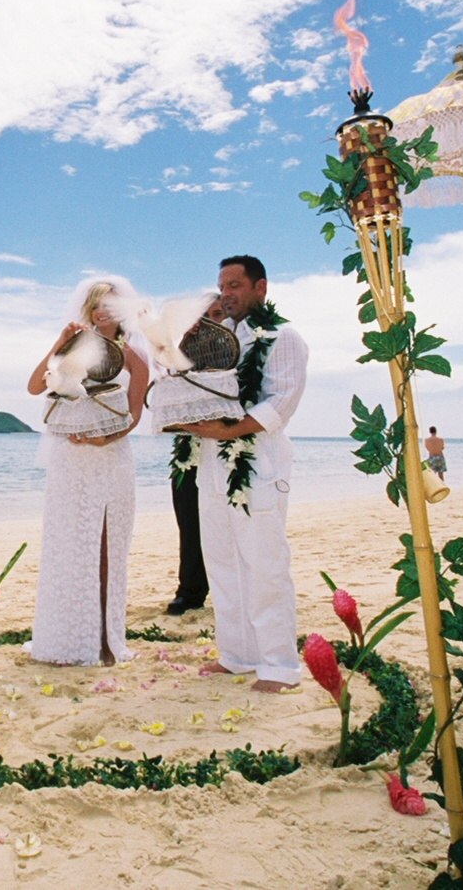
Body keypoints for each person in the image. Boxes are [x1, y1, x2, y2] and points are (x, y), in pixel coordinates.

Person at [175, 255, 308, 693]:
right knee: (222, 563)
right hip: (212, 465)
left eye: (235, 285)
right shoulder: (219, 339)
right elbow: (183, 385)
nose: (226, 293)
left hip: (257, 466)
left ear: (260, 287)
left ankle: (279, 665)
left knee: (265, 565)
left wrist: (228, 429)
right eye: (222, 286)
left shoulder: (281, 337)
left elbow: (280, 403)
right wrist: (186, 342)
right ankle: (237, 655)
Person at [26, 277, 149, 665]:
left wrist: (105, 441)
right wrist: (59, 344)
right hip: (68, 460)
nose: (102, 312)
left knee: (106, 546)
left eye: (110, 306)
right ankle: (63, 638)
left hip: (110, 459)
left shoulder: (132, 357)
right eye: (97, 305)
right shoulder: (73, 348)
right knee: (67, 545)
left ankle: (103, 641)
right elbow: (34, 387)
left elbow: (133, 415)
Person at [166, 298, 228, 616]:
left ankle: (231, 592)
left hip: (230, 449)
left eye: (216, 314)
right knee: (189, 521)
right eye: (202, 317)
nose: (209, 321)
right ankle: (190, 591)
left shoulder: (240, 354)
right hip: (190, 450)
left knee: (227, 526)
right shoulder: (188, 357)